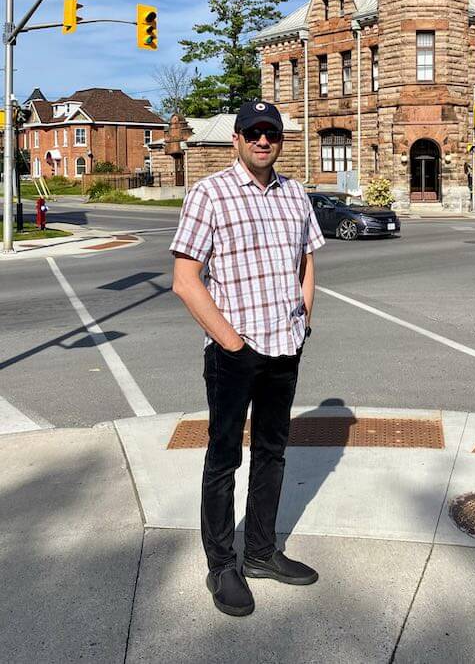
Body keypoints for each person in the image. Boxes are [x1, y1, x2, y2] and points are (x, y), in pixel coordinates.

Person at [170, 100, 325, 617]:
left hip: (285, 347)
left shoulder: (295, 194)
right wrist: (231, 342)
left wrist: (303, 321)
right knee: (223, 459)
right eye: (253, 132)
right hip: (234, 353)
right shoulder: (209, 194)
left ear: (280, 140)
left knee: (272, 453)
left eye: (271, 133)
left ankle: (260, 552)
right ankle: (221, 566)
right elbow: (185, 280)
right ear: (236, 138)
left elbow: (306, 262)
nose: (262, 140)